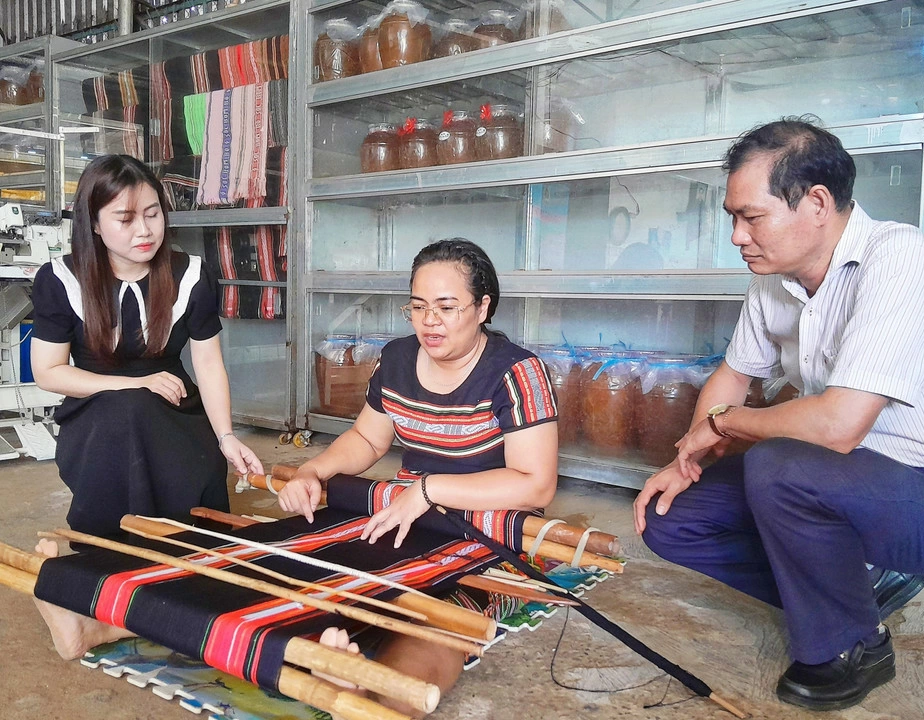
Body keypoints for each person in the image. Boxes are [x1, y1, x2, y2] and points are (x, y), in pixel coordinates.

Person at [633, 118, 924, 711]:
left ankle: (852, 645)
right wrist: (686, 457)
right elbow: (734, 375)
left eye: (751, 217)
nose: (737, 235)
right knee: (669, 515)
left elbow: (837, 426)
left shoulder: (905, 261)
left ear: (816, 203)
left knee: (782, 465)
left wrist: (726, 424)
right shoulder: (774, 283)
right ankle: (858, 590)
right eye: (733, 217)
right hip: (843, 479)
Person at [279, 237, 559, 717]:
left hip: (491, 534)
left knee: (444, 621)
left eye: (447, 307)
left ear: (483, 307)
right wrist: (313, 469)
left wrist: (429, 490)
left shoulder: (517, 372)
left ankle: (377, 695)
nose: (430, 320)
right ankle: (323, 651)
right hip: (406, 516)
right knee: (314, 573)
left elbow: (536, 484)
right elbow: (368, 441)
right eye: (418, 306)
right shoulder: (397, 360)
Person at [30, 153, 263, 541]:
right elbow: (48, 372)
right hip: (95, 410)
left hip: (174, 405)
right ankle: (114, 546)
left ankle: (187, 548)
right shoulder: (60, 280)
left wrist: (226, 437)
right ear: (95, 225)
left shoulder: (190, 274)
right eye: (125, 219)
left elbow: (207, 363)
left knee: (197, 510)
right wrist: (134, 384)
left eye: (153, 214)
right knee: (129, 409)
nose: (145, 231)